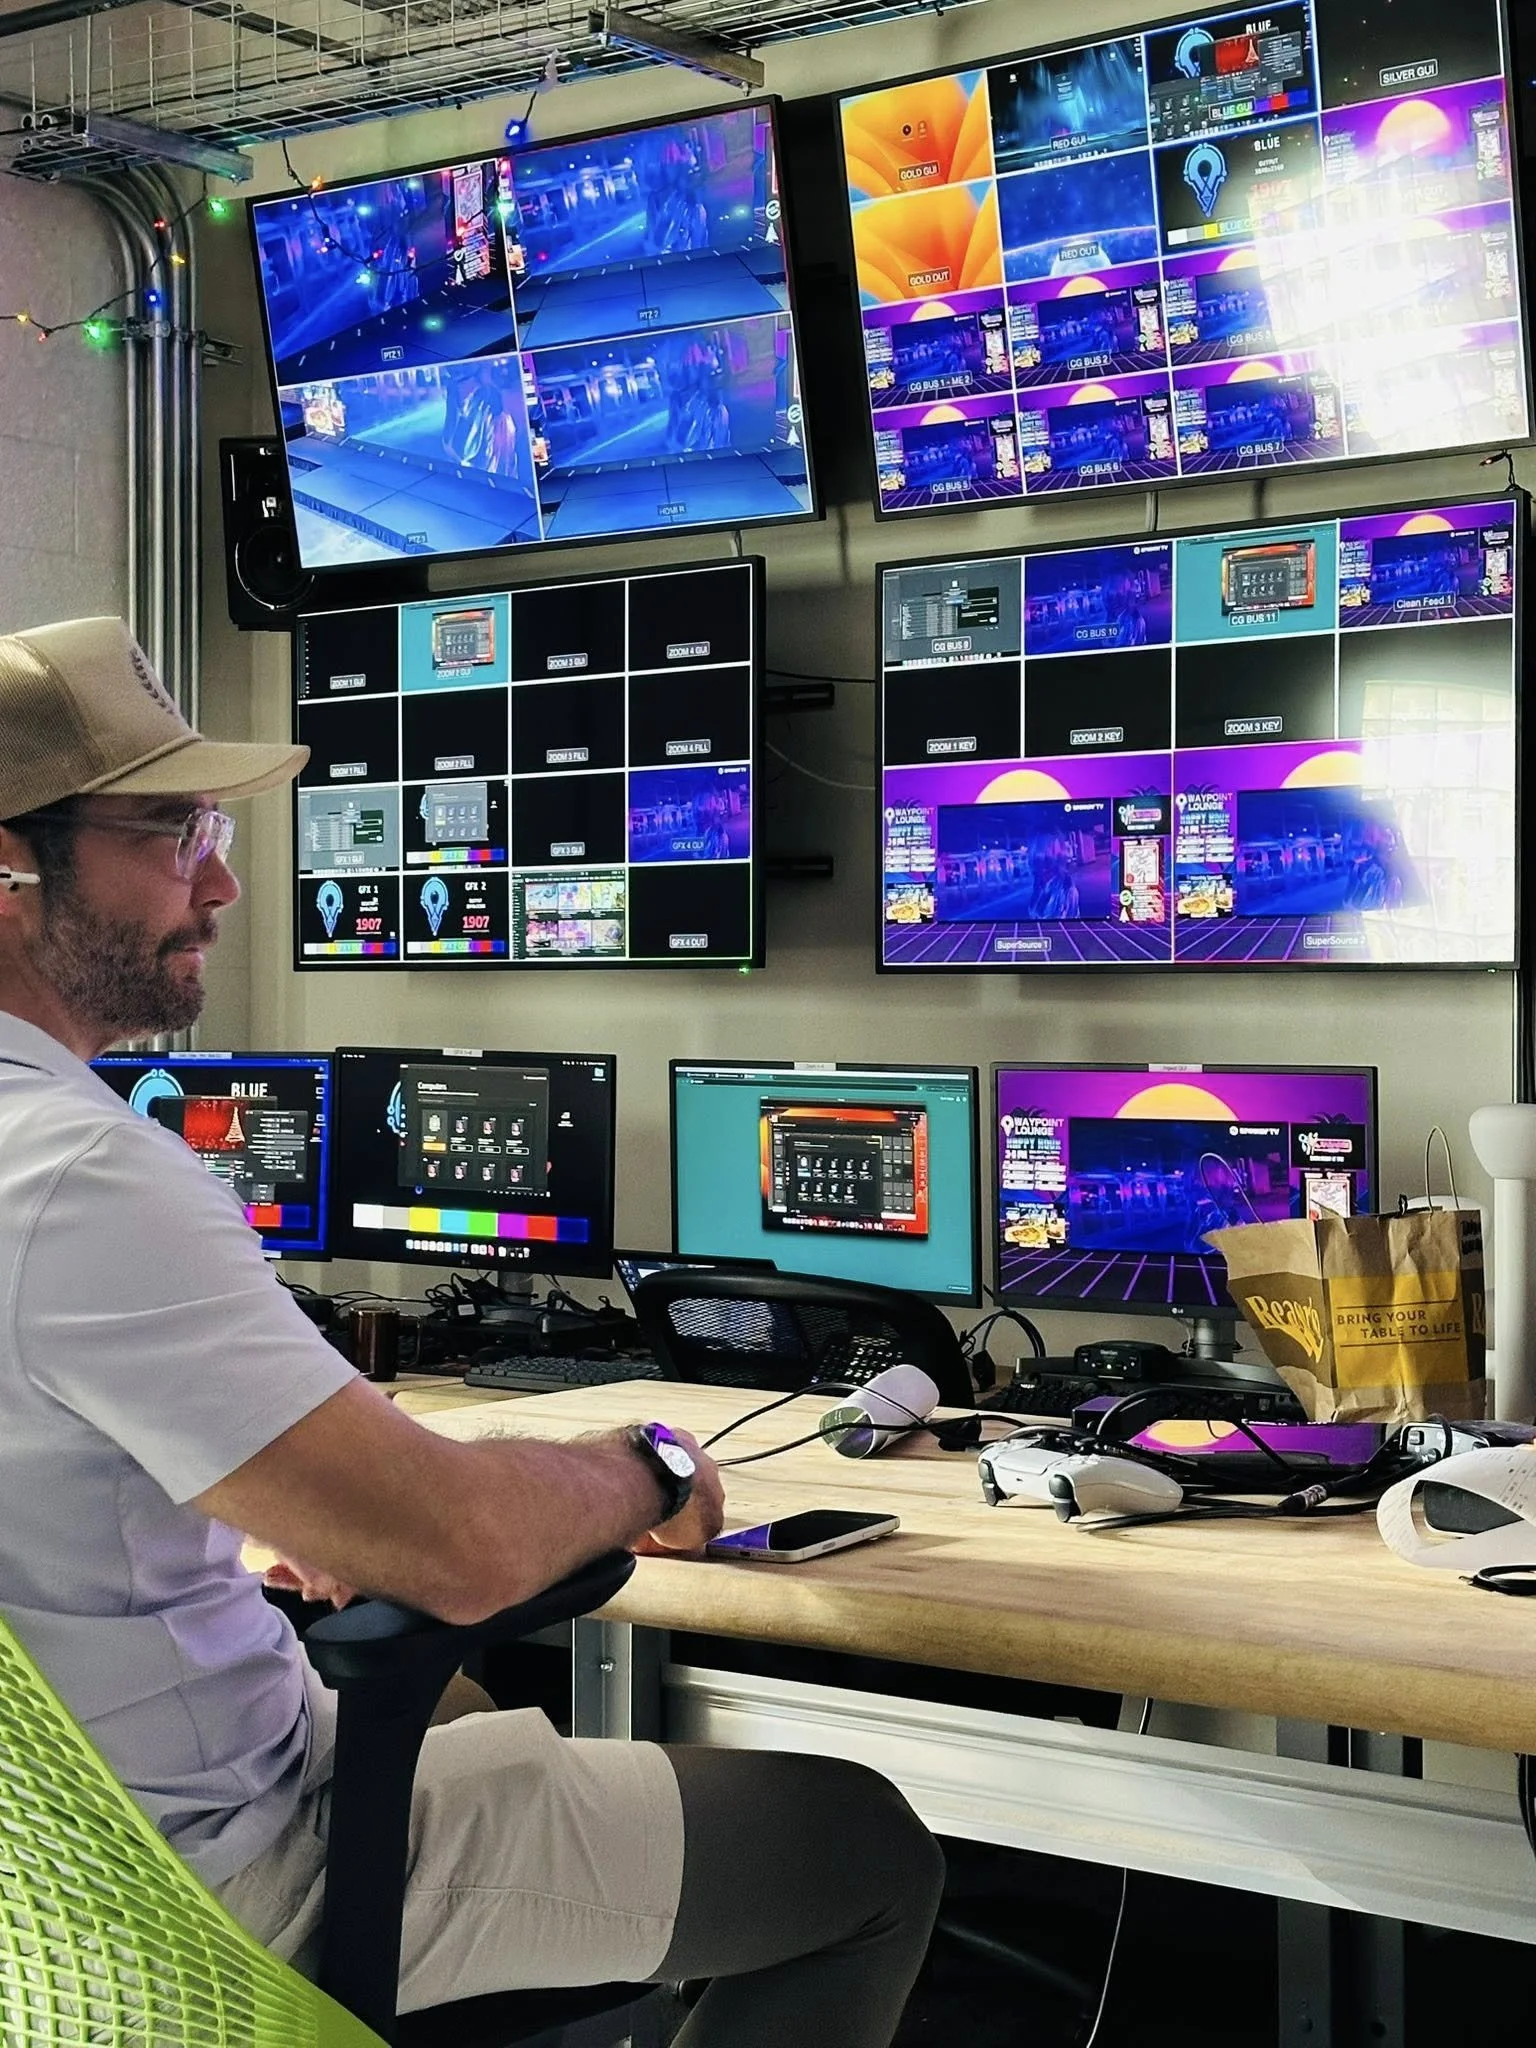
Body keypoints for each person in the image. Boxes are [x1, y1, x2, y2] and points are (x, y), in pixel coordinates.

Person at [0, 618, 944, 2046]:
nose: (223, 880)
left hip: (44, 1903)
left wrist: (335, 1495)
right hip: (203, 1895)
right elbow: (465, 1549)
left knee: (450, 1696)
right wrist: (650, 1465)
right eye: (170, 833)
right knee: (863, 1850)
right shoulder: (80, 1171)